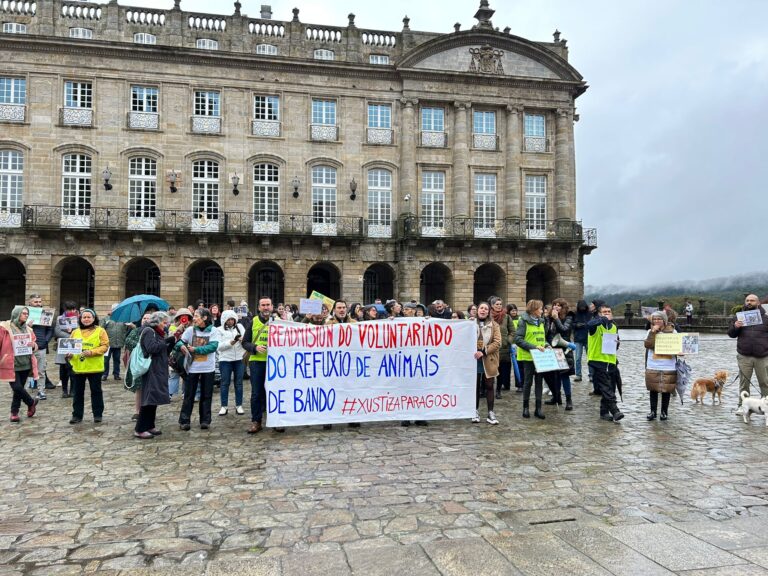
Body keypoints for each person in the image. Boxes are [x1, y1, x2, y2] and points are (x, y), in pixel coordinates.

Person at [176, 308, 220, 430]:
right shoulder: (190, 330)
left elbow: (213, 346)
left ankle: (205, 420)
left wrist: (197, 350)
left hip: (208, 368)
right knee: (189, 395)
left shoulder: (213, 331)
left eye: (196, 316)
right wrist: (182, 347)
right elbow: (180, 342)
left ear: (205, 318)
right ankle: (184, 420)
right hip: (192, 368)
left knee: (206, 395)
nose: (193, 318)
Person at [134, 311, 173, 439]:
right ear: (157, 322)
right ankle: (140, 429)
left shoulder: (157, 332)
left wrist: (170, 343)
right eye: (164, 322)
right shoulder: (148, 331)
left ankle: (150, 425)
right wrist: (166, 341)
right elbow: (152, 348)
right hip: (151, 369)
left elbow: (162, 350)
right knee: (148, 399)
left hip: (158, 368)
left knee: (154, 398)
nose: (166, 324)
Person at [67, 309, 109, 424]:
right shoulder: (75, 332)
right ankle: (77, 415)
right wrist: (69, 354)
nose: (86, 319)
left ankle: (98, 414)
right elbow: (69, 347)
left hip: (94, 367)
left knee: (96, 391)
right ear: (80, 319)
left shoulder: (101, 331)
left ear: (94, 318)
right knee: (77, 392)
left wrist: (92, 352)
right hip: (78, 367)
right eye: (84, 317)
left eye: (89, 317)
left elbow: (105, 346)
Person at [728, 294, 768, 413]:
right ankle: (742, 405)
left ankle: (766, 406)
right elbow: (731, 334)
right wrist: (735, 326)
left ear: (758, 303)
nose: (749, 302)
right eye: (747, 300)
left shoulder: (766, 318)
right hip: (744, 355)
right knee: (744, 383)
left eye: (752, 300)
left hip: (762, 355)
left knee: (765, 382)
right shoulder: (738, 317)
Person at [587, 304, 624, 423]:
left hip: (611, 361)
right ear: (599, 314)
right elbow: (588, 325)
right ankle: (615, 410)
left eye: (609, 311)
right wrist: (601, 320)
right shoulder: (595, 326)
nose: (607, 313)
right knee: (606, 387)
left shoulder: (613, 326)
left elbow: (615, 345)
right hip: (597, 361)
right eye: (604, 312)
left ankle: (604, 411)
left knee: (610, 388)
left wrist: (617, 343)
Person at [243, 296, 273, 434]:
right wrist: (254, 347)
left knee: (275, 392)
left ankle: (277, 421)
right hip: (257, 362)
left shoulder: (278, 322)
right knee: (256, 393)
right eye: (263, 305)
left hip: (274, 363)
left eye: (268, 305)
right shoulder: (253, 321)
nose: (266, 307)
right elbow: (245, 342)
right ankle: (256, 421)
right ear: (259, 307)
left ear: (271, 307)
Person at [5, 306, 39, 423]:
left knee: (18, 391)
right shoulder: (5, 328)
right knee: (17, 387)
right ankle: (31, 402)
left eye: (27, 313)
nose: (26, 315)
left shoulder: (29, 329)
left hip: (25, 364)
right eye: (23, 313)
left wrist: (33, 345)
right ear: (16, 313)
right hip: (11, 364)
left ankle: (14, 412)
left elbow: (35, 344)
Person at [515, 300, 547, 419]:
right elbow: (518, 339)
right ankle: (526, 407)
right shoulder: (523, 321)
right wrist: (534, 348)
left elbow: (543, 338)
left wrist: (546, 344)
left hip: (540, 358)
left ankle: (538, 408)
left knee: (539, 382)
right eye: (540, 308)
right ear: (533, 310)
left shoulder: (542, 321)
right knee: (528, 382)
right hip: (528, 357)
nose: (542, 311)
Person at [644, 310, 677, 421]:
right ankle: (653, 411)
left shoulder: (673, 332)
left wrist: (680, 351)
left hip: (668, 364)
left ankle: (664, 412)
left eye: (659, 319)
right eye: (655, 319)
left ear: (664, 320)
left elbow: (678, 346)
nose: (657, 321)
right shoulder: (649, 331)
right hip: (653, 364)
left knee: (666, 389)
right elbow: (648, 344)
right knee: (653, 389)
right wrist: (653, 332)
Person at [472, 302, 501, 425]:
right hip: (474, 359)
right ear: (477, 310)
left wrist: (483, 351)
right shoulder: (470, 323)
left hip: (488, 358)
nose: (483, 310)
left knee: (489, 386)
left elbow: (497, 342)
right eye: (481, 308)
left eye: (486, 309)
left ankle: (490, 412)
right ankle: (474, 411)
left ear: (489, 311)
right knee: (475, 387)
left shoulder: (494, 325)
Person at [544, 298, 575, 410]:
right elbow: (546, 333)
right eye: (554, 305)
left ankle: (568, 400)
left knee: (564, 375)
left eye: (559, 305)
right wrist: (546, 343)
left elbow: (564, 331)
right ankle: (556, 397)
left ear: (563, 308)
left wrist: (556, 319)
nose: (556, 307)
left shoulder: (569, 317)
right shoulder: (548, 319)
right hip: (551, 349)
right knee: (553, 375)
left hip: (563, 350)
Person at [217, 309, 246, 416]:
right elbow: (218, 347)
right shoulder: (218, 330)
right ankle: (224, 406)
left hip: (239, 358)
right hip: (225, 360)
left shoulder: (240, 327)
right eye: (228, 320)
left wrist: (243, 339)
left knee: (239, 383)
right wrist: (231, 342)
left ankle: (239, 405)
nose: (231, 321)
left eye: (232, 319)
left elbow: (246, 339)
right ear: (224, 320)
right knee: (225, 383)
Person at [125, 312, 152, 421]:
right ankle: (137, 411)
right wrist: (140, 344)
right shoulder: (136, 330)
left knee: (150, 388)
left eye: (148, 318)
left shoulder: (154, 331)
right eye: (144, 318)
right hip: (138, 363)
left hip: (151, 363)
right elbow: (128, 341)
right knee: (139, 389)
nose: (145, 320)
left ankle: (148, 411)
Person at [27, 293, 55, 398]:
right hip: (25, 346)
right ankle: (23, 392)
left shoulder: (46, 313)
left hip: (41, 345)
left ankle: (41, 391)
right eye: (35, 302)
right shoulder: (24, 313)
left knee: (41, 370)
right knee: (25, 370)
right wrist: (26, 325)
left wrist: (46, 340)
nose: (38, 304)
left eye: (39, 302)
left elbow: (50, 329)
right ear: (30, 302)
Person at [488, 296, 514, 398]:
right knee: (490, 370)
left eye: (500, 304)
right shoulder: (488, 316)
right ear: (492, 305)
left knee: (500, 371)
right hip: (490, 347)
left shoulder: (506, 317)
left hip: (503, 348)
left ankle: (498, 390)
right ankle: (487, 389)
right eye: (496, 304)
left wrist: (508, 341)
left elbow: (512, 331)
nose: (499, 306)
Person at [54, 301, 79, 398]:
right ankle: (64, 390)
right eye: (69, 309)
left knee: (73, 369)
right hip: (63, 345)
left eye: (72, 309)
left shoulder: (78, 318)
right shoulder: (60, 318)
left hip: (74, 346)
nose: (71, 311)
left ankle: (73, 390)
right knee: (63, 370)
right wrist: (69, 336)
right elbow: (57, 331)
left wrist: (72, 331)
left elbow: (80, 330)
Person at [102, 303, 127, 382]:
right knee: (106, 360)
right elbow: (101, 330)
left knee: (117, 360)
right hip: (107, 344)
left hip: (118, 343)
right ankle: (104, 374)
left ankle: (116, 374)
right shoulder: (106, 318)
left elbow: (126, 330)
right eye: (114, 309)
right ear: (112, 310)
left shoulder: (123, 319)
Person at [572, 300, 590, 383]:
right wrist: (576, 325)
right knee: (578, 358)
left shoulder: (590, 314)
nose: (582, 308)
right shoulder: (575, 314)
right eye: (581, 307)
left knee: (590, 358)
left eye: (583, 307)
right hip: (578, 338)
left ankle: (591, 375)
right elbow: (571, 324)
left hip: (588, 338)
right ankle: (578, 375)